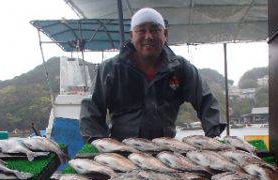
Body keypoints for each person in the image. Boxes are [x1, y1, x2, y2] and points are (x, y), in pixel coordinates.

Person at [80, 7, 226, 142]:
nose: (148, 36)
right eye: (141, 30)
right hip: (123, 151)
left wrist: (214, 134)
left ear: (165, 34)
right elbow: (91, 109)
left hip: (166, 152)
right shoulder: (111, 69)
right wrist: (99, 143)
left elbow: (206, 100)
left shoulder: (180, 68)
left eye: (155, 30)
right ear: (131, 35)